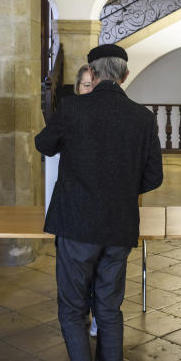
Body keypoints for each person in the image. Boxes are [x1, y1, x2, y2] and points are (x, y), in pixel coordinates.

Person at [36, 44, 163, 361]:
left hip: (76, 225)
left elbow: (44, 145)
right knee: (109, 311)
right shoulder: (142, 117)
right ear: (124, 75)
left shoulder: (74, 108)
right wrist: (121, 188)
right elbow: (153, 176)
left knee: (73, 312)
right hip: (119, 226)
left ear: (92, 72)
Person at [73, 64, 100, 339]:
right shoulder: (70, 117)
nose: (89, 89)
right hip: (76, 207)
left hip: (103, 209)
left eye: (94, 84)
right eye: (85, 85)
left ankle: (97, 313)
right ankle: (80, 311)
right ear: (77, 88)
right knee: (79, 270)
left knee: (100, 270)